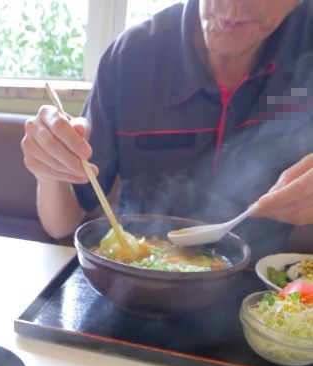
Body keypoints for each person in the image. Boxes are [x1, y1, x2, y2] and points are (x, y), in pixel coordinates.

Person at [21, 0, 313, 258]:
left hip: (265, 292)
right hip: (136, 279)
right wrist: (48, 170)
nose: (231, 8)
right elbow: (62, 223)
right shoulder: (132, 59)